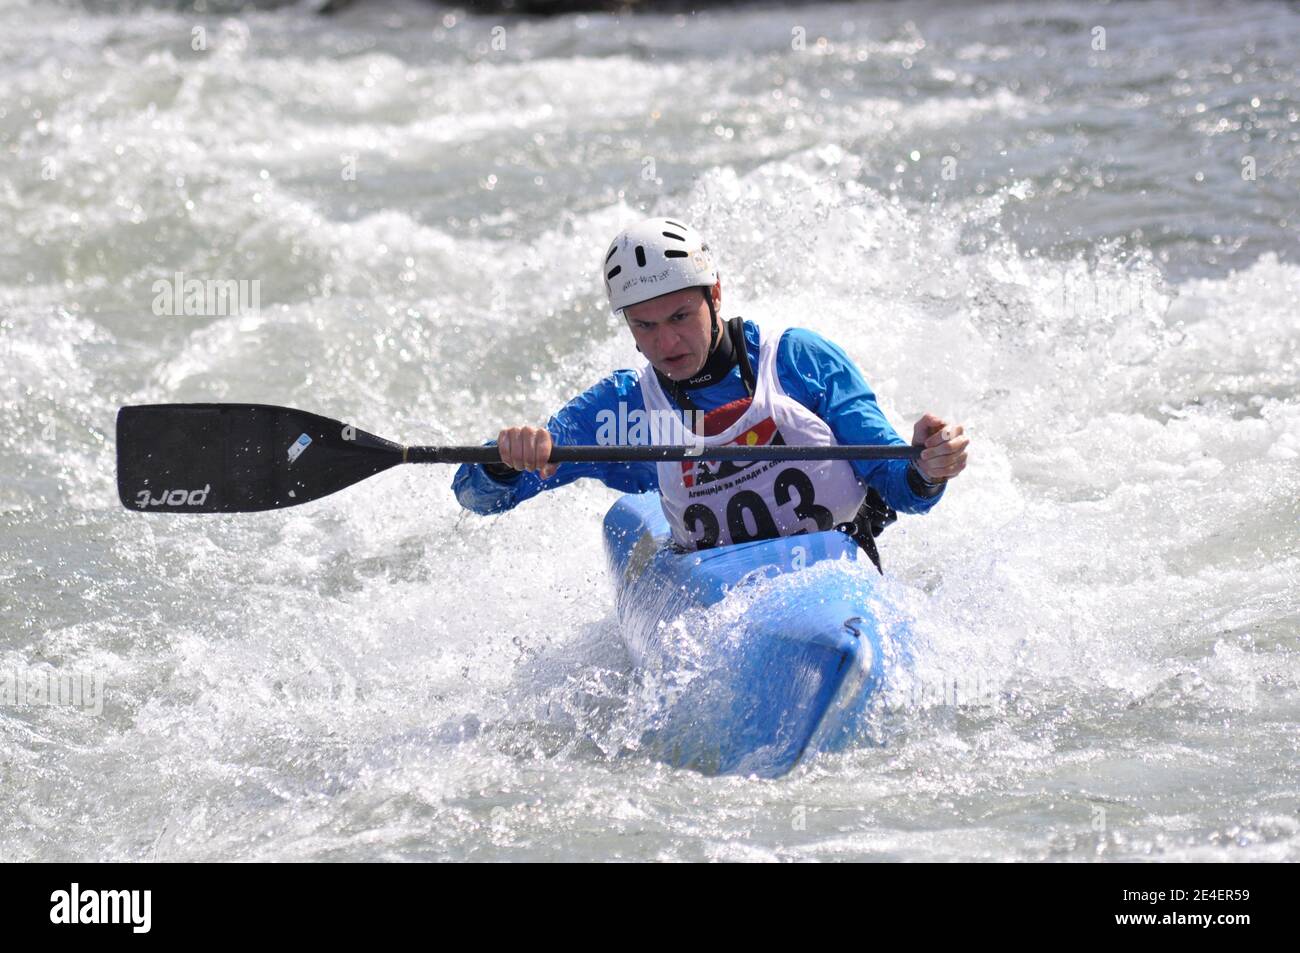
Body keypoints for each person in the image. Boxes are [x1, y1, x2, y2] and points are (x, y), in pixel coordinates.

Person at [452, 217, 969, 571]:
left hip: (832, 581)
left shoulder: (797, 362)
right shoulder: (622, 410)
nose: (666, 342)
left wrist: (929, 467)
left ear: (714, 294)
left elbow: (900, 486)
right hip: (715, 603)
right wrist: (503, 463)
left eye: (680, 316)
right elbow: (477, 498)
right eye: (645, 326)